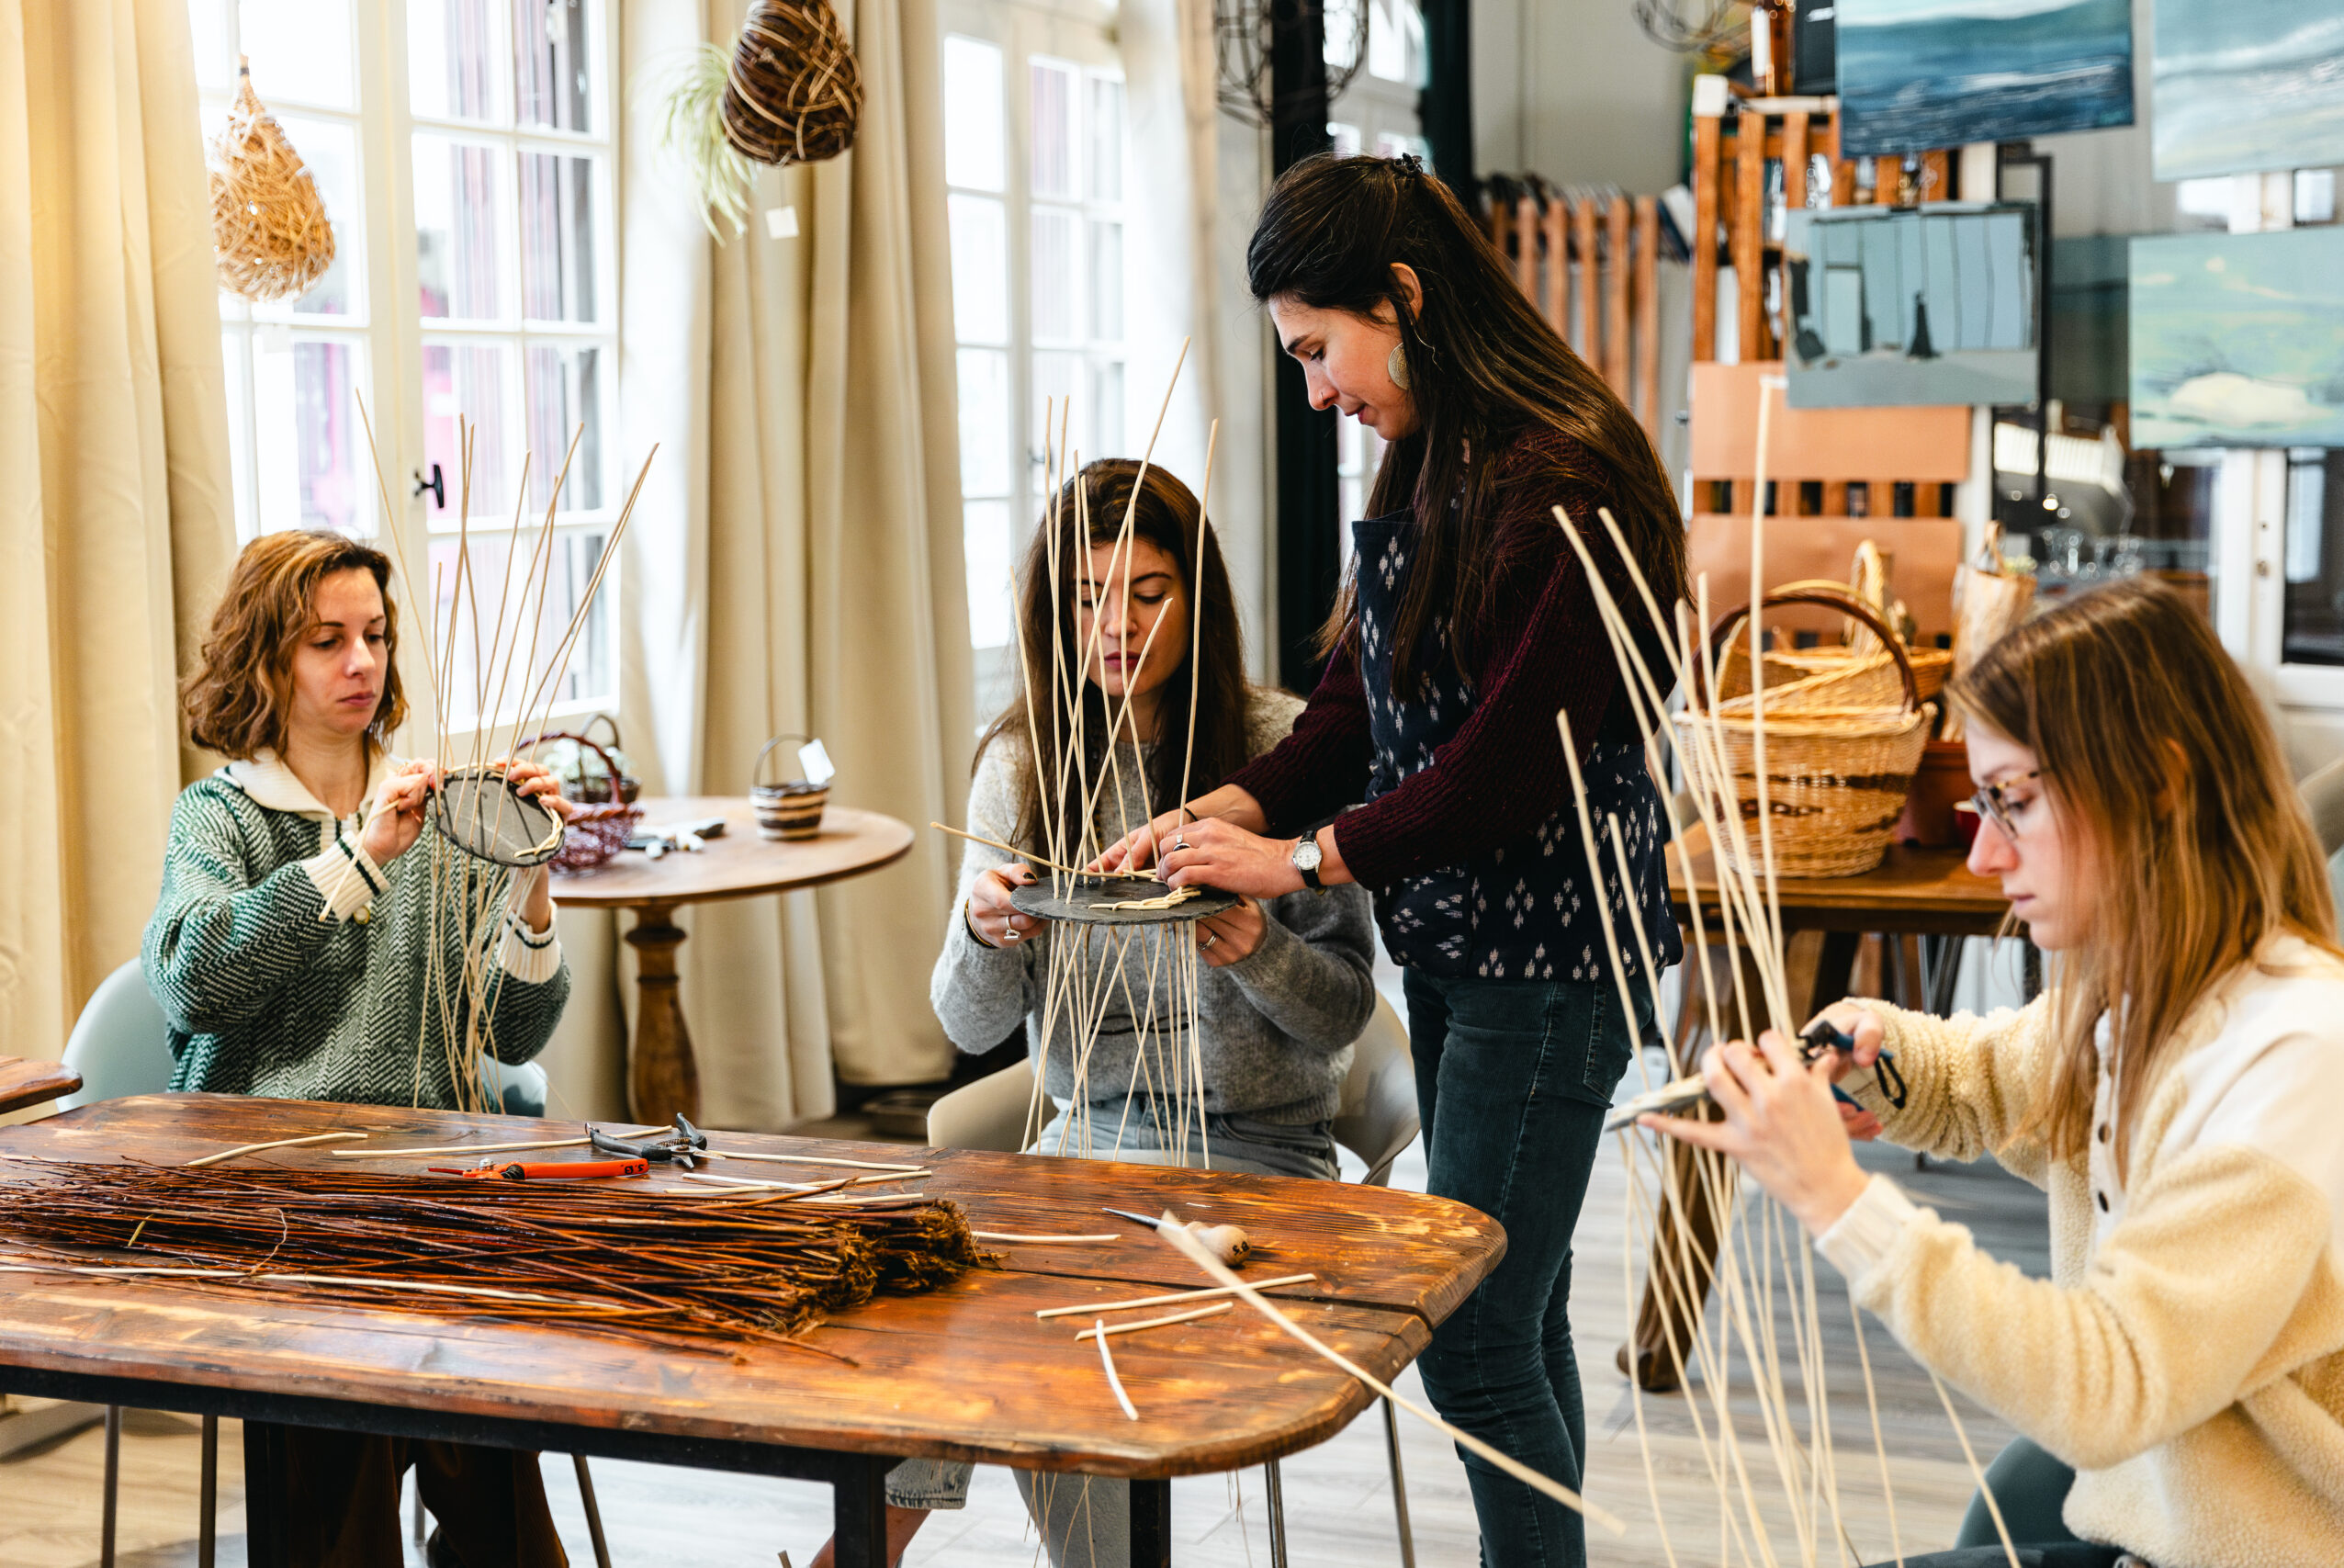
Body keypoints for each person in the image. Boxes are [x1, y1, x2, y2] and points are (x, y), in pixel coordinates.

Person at [1096, 152, 1692, 1568]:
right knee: (1519, 1311)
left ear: (1404, 296)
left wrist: (1298, 859)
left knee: (1474, 1339)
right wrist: (1228, 806)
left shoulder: (1569, 476)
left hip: (1547, 968)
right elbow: (1363, 705)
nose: (1316, 391)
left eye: (1320, 348)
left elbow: (1496, 776)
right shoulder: (1435, 449)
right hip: (1469, 956)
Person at [1652, 576, 2344, 1567]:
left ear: (2158, 782)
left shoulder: (2294, 1054)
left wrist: (1837, 1198)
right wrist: (1874, 1053)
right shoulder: (2145, 998)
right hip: (2144, 1526)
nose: (1982, 856)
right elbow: (1991, 1078)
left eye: (2012, 803)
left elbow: (2113, 1385)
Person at [808, 457, 1380, 1568]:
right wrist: (986, 934)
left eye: (1147, 592)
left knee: (1053, 1336)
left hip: (1255, 1153)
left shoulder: (1289, 745)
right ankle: (866, 1553)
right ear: (1050, 607)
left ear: (1197, 594)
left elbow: (1345, 1014)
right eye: (1085, 596)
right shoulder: (1022, 766)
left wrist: (1258, 950)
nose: (1114, 624)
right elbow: (969, 1028)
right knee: (940, 1314)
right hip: (1076, 1149)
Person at [145, 529, 577, 1568]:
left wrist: (530, 882)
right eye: (325, 640)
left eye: (375, 635)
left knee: (482, 1409)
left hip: (424, 1181)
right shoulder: (221, 816)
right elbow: (192, 979)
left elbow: (511, 1036)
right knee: (352, 1393)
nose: (361, 662)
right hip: (265, 1190)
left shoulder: (441, 816)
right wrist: (357, 857)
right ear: (265, 659)